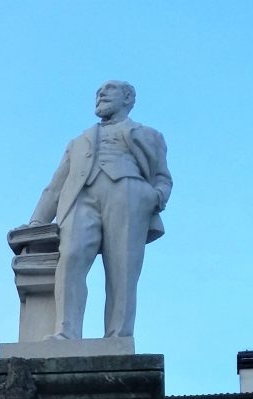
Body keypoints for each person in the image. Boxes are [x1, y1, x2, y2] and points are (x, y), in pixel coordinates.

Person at [26, 80, 172, 340]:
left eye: (109, 90)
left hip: (128, 194)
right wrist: (38, 220)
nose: (101, 94)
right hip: (82, 197)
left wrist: (155, 196)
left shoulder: (149, 134)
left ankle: (118, 336)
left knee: (123, 268)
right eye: (98, 92)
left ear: (128, 98)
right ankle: (66, 331)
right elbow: (56, 185)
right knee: (70, 258)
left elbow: (163, 177)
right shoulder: (79, 141)